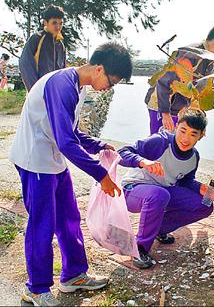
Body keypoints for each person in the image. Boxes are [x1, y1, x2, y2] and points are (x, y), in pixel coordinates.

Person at [9, 42, 133, 305]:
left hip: (52, 160)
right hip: (35, 160)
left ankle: (74, 275)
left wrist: (98, 145)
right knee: (42, 223)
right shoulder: (62, 84)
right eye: (111, 82)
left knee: (68, 217)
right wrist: (101, 174)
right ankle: (36, 288)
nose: (108, 89)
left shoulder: (74, 85)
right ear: (99, 68)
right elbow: (66, 141)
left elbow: (71, 132)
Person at [117, 109, 214, 269]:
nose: (186, 138)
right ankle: (139, 248)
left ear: (201, 136)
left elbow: (185, 181)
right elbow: (121, 153)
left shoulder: (193, 157)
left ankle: (157, 229)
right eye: (183, 130)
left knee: (206, 205)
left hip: (163, 193)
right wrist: (142, 161)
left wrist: (200, 187)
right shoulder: (159, 142)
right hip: (133, 189)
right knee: (159, 195)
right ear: (176, 127)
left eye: (193, 134)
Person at [145, 23, 214, 134]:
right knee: (158, 143)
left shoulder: (210, 59)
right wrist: (165, 113)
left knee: (174, 145)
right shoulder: (192, 53)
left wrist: (198, 114)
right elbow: (165, 81)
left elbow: (196, 89)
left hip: (179, 109)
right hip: (160, 104)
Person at [19, 5, 66, 91]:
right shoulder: (36, 39)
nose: (58, 27)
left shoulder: (60, 45)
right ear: (45, 22)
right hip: (38, 91)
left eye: (60, 23)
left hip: (54, 92)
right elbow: (25, 64)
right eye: (54, 23)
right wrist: (35, 90)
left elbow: (62, 70)